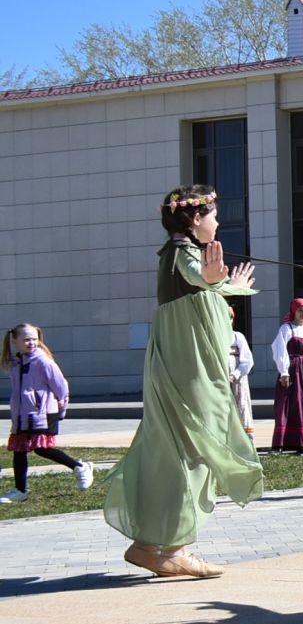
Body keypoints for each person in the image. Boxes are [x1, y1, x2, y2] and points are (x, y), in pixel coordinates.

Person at [102, 186, 262, 578]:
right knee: (196, 452)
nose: (217, 222)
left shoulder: (173, 255)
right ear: (194, 219)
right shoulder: (184, 255)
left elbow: (199, 288)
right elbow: (197, 277)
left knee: (178, 453)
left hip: (180, 368)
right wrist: (210, 278)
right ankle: (172, 548)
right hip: (190, 373)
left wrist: (225, 285)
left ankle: (147, 546)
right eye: (213, 215)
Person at [4, 323, 90, 502]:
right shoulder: (16, 364)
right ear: (15, 341)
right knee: (19, 450)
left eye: (34, 339)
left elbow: (61, 386)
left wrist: (61, 409)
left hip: (42, 412)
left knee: (42, 449)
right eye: (26, 339)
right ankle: (20, 491)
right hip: (22, 413)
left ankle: (79, 467)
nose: (31, 343)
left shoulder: (43, 361)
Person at [269, 296, 303, 454]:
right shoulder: (286, 329)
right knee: (288, 405)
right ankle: (282, 443)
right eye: (300, 310)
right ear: (294, 311)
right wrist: (284, 372)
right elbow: (279, 351)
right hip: (293, 371)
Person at [227, 306, 255, 444]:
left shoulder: (237, 336)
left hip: (236, 376)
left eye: (229, 317)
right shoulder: (213, 337)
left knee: (241, 402)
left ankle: (245, 440)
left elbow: (247, 360)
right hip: (220, 376)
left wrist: (236, 374)